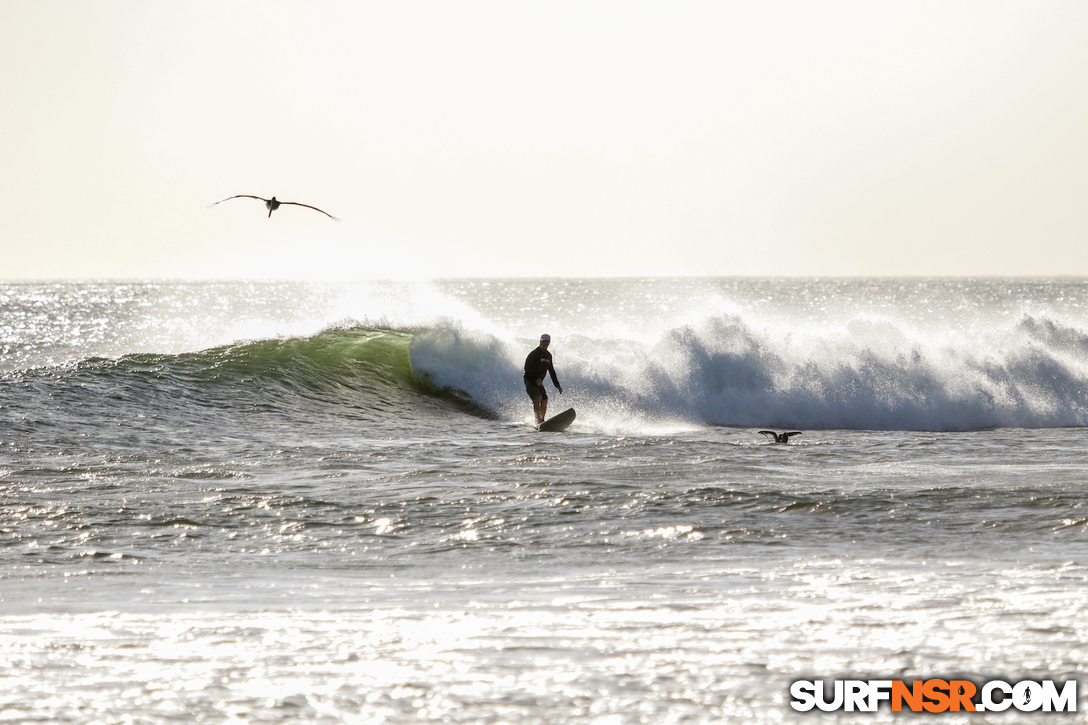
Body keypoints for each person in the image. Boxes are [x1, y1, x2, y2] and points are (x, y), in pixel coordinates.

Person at [524, 334, 563, 423]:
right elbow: (527, 368)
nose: (545, 343)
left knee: (544, 400)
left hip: (539, 382)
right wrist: (536, 378)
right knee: (538, 397)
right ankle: (537, 419)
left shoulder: (548, 355)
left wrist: (557, 385)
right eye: (543, 341)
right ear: (540, 341)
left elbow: (552, 371)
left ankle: (542, 420)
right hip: (529, 379)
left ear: (549, 342)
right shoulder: (534, 354)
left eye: (547, 342)